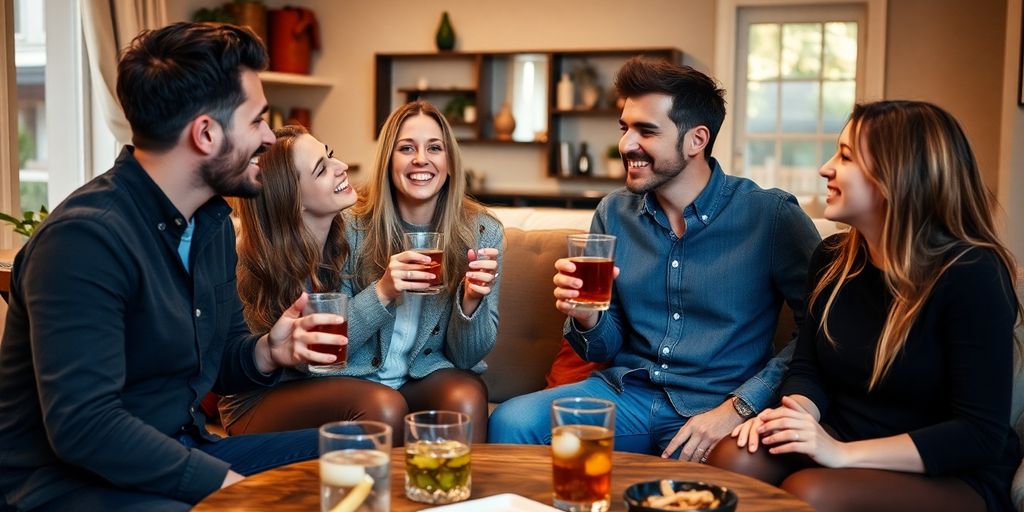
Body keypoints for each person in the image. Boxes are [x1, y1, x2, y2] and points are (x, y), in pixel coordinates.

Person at [0, 23, 347, 512]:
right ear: (206, 133)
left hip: (179, 449)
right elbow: (84, 427)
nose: (270, 137)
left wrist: (269, 352)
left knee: (350, 452)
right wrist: (224, 487)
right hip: (67, 486)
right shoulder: (84, 241)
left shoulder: (211, 225)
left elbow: (220, 361)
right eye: (256, 121)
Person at [487, 57, 821, 460]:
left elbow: (817, 332)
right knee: (511, 421)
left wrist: (740, 407)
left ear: (697, 140)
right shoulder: (614, 213)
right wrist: (586, 316)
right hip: (625, 392)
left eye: (646, 130)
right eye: (624, 127)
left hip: (716, 403)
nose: (626, 144)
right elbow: (602, 347)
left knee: (730, 467)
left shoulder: (771, 216)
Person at [707, 100, 1023, 511]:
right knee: (732, 459)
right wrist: (795, 414)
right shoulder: (833, 258)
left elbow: (978, 434)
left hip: (949, 471)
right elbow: (809, 368)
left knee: (809, 494)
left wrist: (840, 454)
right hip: (842, 434)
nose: (825, 168)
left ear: (897, 176)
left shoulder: (973, 274)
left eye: (845, 156)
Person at [341, 100, 502, 442]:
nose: (420, 159)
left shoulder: (483, 232)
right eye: (406, 148)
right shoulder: (349, 226)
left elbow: (467, 356)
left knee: (469, 394)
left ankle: (462, 497)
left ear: (449, 162)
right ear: (388, 160)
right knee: (383, 405)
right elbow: (334, 344)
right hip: (354, 380)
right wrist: (383, 290)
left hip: (424, 376)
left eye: (434, 148)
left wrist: (471, 301)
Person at [217, 124, 388, 435]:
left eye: (331, 155)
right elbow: (297, 363)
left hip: (316, 387)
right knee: (381, 405)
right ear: (292, 200)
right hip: (255, 402)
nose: (342, 167)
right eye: (322, 169)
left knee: (388, 400)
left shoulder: (345, 241)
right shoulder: (249, 264)